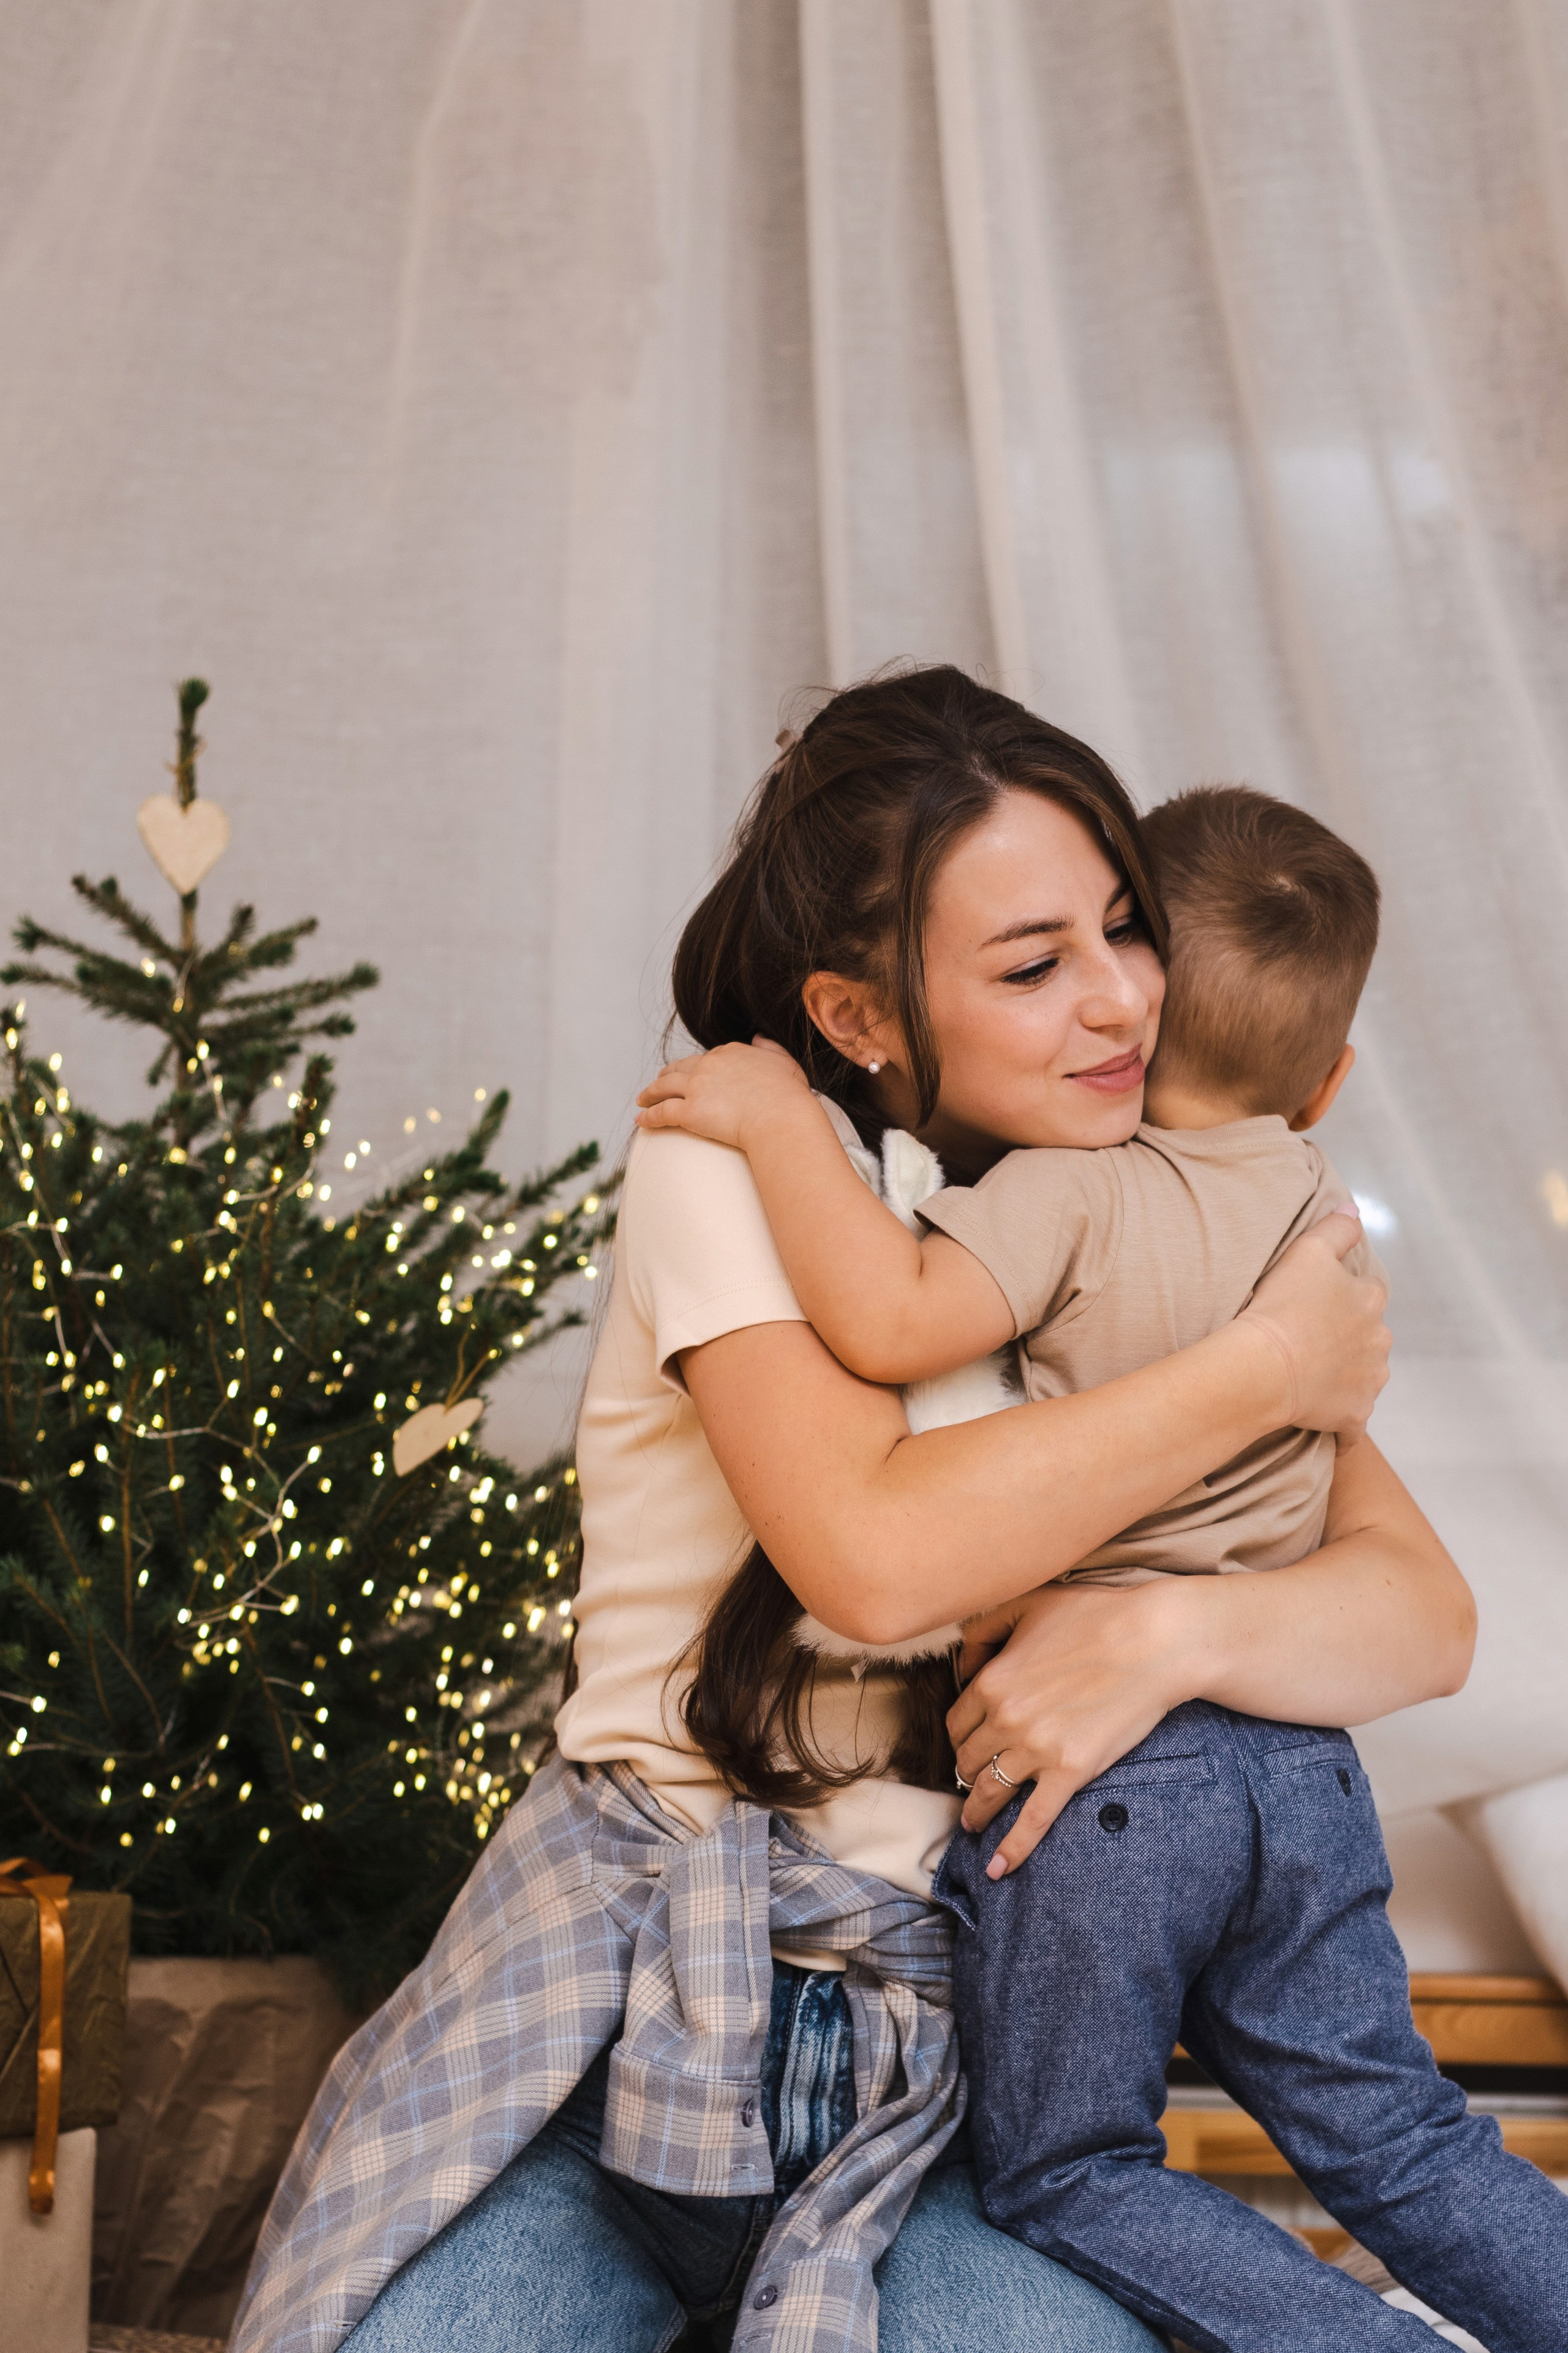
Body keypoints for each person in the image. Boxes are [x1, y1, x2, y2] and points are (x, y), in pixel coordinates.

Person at [233, 669, 1464, 2353]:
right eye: (1035, 965)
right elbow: (873, 1555)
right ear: (865, 1014)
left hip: (943, 2073)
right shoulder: (737, 1159)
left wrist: (1162, 1628)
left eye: (1128, 927)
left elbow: (1420, 1613)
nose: (1122, 1003)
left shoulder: (1132, 1217)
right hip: (620, 2042)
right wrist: (1267, 1366)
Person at [636, 779, 1568, 2349]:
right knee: (1404, 2139)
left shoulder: (1066, 1189)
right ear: (1329, 1076)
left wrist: (778, 1121)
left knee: (1070, 2169)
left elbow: (884, 1319)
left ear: (1142, 1008)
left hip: (1115, 1790)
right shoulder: (1315, 1219)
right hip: (1304, 1768)